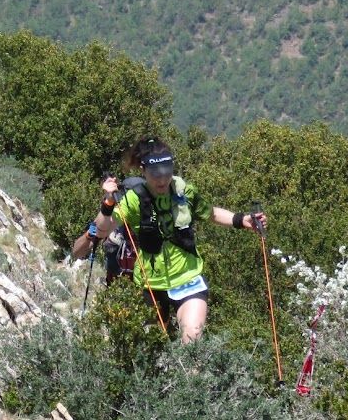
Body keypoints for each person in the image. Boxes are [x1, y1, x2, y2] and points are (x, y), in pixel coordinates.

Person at [72, 137, 267, 343]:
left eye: (167, 172)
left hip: (188, 277)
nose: (162, 179)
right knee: (152, 348)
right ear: (143, 170)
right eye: (155, 174)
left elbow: (210, 213)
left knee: (192, 339)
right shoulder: (134, 199)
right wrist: (109, 202)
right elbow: (102, 229)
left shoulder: (183, 190)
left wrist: (241, 220)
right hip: (151, 284)